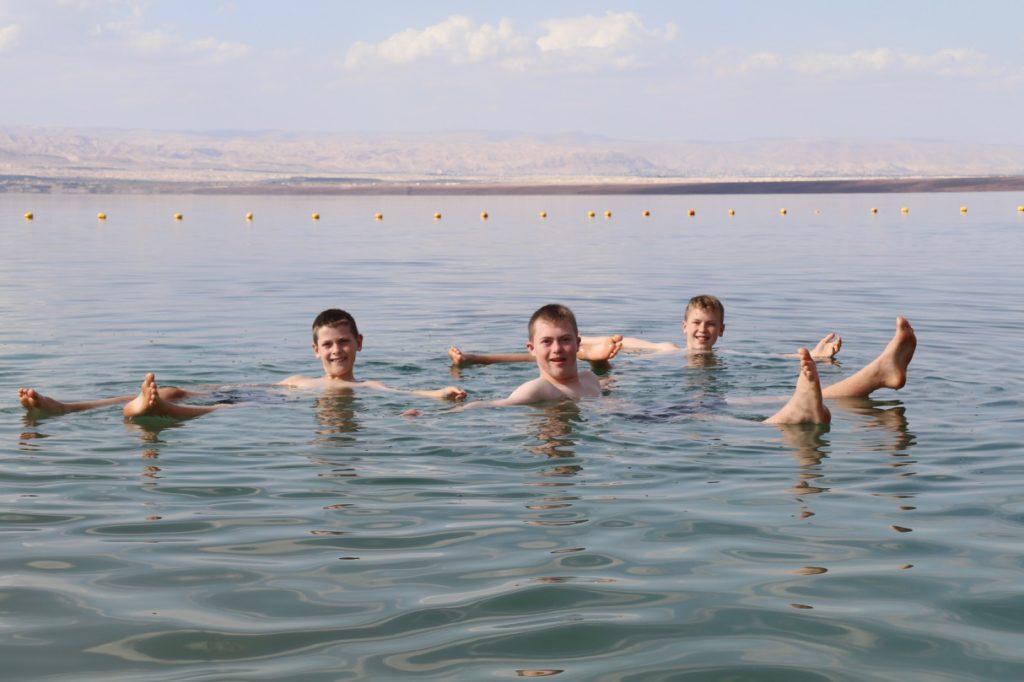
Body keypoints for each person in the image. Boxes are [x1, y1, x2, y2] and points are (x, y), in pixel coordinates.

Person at [18, 309, 467, 420]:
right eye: (328, 345)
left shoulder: (362, 386)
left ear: (359, 344)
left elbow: (400, 395)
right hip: (268, 393)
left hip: (264, 409)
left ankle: (160, 412)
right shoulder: (297, 377)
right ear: (315, 350)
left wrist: (439, 393)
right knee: (176, 389)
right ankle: (65, 408)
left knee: (222, 410)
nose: (336, 352)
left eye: (343, 343)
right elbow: (248, 385)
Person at [436, 303, 835, 424]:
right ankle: (785, 418)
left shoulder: (588, 377)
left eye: (564, 342)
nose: (556, 350)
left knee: (712, 407)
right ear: (533, 348)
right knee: (708, 415)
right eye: (547, 343)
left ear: (578, 344)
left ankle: (792, 406)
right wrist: (433, 412)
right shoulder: (539, 389)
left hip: (639, 414)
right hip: (640, 421)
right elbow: (495, 406)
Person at [447, 294, 842, 364]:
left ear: (723, 331)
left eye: (711, 326)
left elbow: (769, 358)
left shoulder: (728, 359)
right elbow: (603, 341)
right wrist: (574, 341)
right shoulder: (665, 350)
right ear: (684, 326)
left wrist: (816, 356)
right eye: (697, 324)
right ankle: (480, 359)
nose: (703, 331)